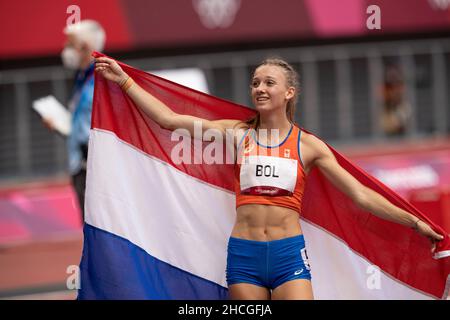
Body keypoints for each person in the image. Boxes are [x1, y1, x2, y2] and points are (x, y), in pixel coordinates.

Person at [94, 56, 444, 300]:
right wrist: (123, 79)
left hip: (288, 255)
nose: (259, 88)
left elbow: (361, 196)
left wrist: (412, 221)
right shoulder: (236, 134)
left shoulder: (309, 146)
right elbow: (170, 120)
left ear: (289, 92)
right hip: (244, 255)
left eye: (269, 83)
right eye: (255, 82)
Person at [44, 20, 106, 222]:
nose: (64, 49)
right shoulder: (82, 78)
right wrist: (61, 126)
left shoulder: (103, 77)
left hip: (96, 167)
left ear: (85, 47)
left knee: (100, 226)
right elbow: (81, 124)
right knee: (90, 226)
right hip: (80, 165)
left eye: (69, 44)